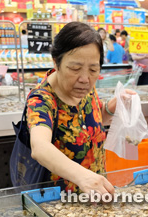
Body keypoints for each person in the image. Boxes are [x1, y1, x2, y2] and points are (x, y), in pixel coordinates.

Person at [27, 22, 122, 195]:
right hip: (61, 204)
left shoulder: (85, 88)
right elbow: (40, 146)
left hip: (97, 195)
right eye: (75, 68)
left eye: (93, 69)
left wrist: (110, 108)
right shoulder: (42, 99)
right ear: (56, 62)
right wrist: (83, 177)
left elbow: (92, 122)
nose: (85, 78)